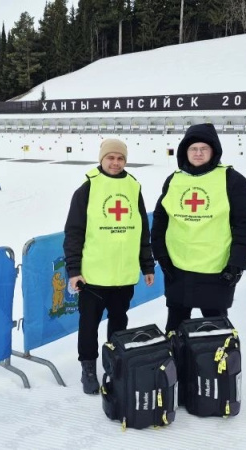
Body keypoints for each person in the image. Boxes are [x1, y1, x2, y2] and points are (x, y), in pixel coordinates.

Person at [63, 138, 156, 394]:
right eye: (110, 158)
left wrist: (147, 265)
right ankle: (89, 368)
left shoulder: (133, 187)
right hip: (93, 275)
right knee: (88, 325)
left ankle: (115, 362)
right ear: (101, 159)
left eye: (120, 158)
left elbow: (142, 231)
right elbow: (74, 233)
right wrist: (74, 271)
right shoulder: (87, 188)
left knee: (119, 322)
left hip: (123, 274)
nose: (115, 163)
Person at [151, 123, 246, 333]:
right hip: (178, 269)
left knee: (215, 327)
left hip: (216, 271)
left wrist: (236, 266)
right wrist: (161, 257)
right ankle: (176, 364)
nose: (198, 153)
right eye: (193, 149)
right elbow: (160, 221)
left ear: (213, 150)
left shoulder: (232, 180)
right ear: (184, 151)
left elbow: (244, 225)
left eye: (203, 148)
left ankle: (217, 365)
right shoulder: (174, 180)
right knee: (175, 326)